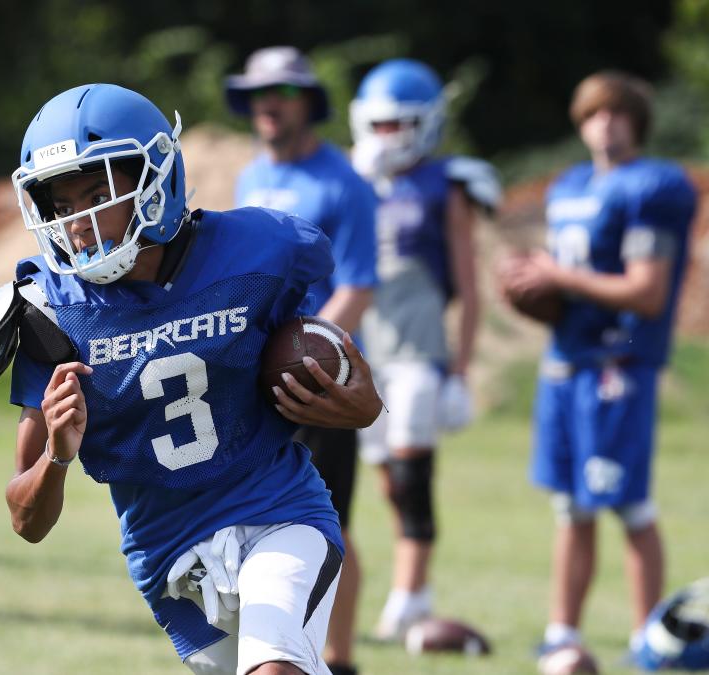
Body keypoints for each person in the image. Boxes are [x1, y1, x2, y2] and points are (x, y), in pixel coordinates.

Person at [0, 83, 383, 675]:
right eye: (63, 207)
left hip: (280, 511)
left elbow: (335, 361)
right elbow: (26, 522)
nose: (81, 224)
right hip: (170, 556)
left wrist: (361, 405)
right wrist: (57, 458)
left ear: (155, 179)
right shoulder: (50, 312)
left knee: (275, 667)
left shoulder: (257, 249)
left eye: (97, 194)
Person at [496, 70, 695, 658]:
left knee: (627, 502)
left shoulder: (654, 186)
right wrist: (532, 287)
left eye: (617, 113)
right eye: (593, 114)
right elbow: (565, 281)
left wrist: (557, 275)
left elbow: (647, 291)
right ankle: (564, 631)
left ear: (638, 122)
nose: (604, 124)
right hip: (565, 360)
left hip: (618, 363)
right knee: (570, 505)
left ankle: (647, 635)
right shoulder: (570, 186)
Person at [226, 46, 378, 675]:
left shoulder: (344, 183)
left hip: (314, 385)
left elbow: (359, 285)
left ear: (307, 101)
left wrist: (304, 359)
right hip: (252, 383)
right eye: (259, 91)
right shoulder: (249, 178)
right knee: (252, 519)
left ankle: (338, 658)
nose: (269, 101)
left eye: (284, 91)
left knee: (325, 520)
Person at [348, 59, 501, 641]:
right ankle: (415, 587)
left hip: (419, 352)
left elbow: (468, 284)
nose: (389, 136)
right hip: (366, 354)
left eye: (401, 124)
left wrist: (460, 370)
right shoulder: (352, 179)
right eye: (380, 124)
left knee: (412, 476)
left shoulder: (446, 183)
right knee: (387, 475)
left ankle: (411, 594)